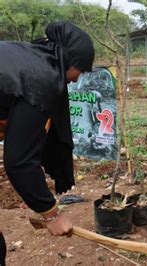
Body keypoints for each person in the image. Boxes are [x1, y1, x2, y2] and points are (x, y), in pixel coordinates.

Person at [0, 21, 94, 264]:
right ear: (71, 61)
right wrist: (51, 214)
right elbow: (19, 161)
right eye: (82, 70)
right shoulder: (41, 79)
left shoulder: (29, 59)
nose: (76, 80)